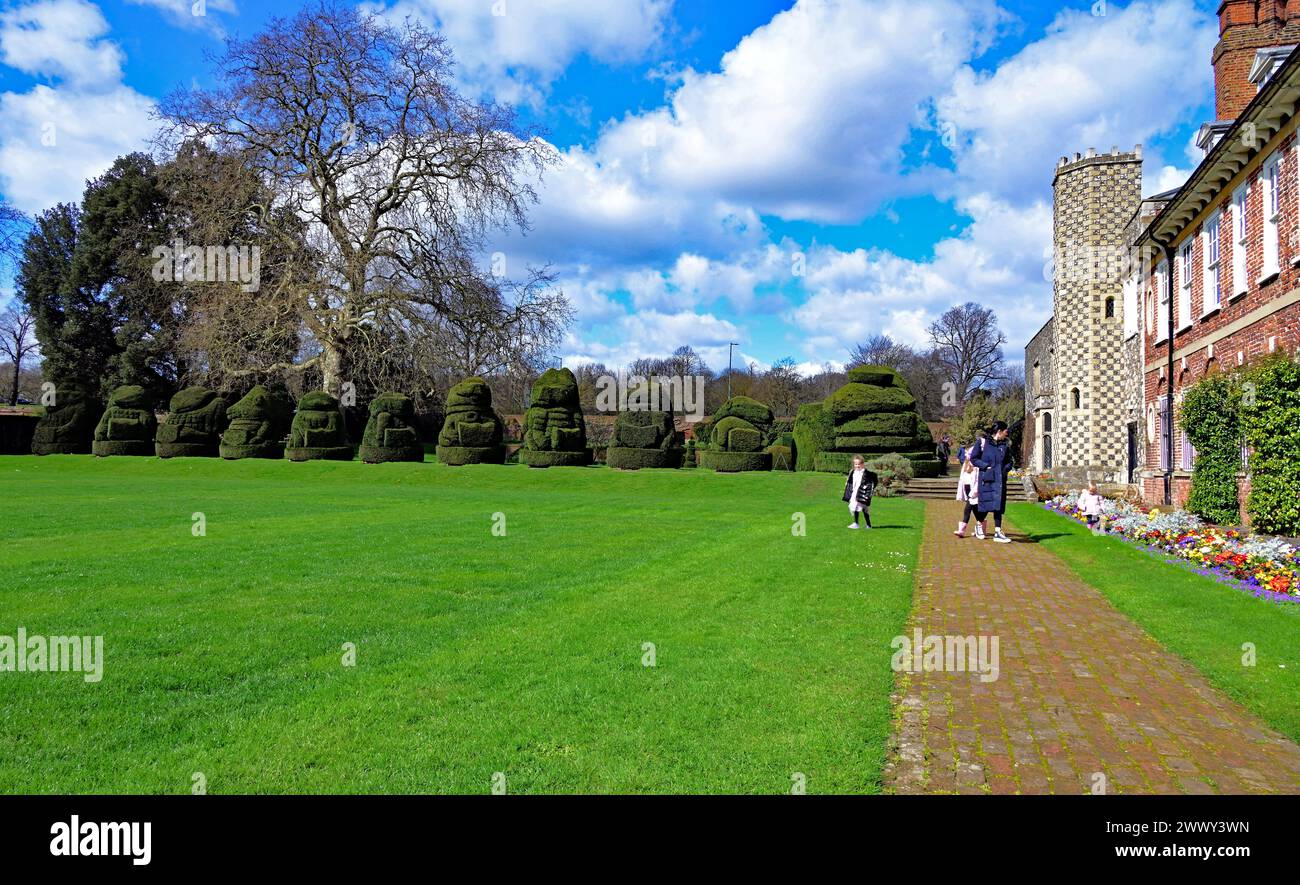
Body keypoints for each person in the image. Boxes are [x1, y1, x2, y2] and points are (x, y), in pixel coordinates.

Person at [970, 421, 1013, 543]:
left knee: (998, 505)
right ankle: (979, 525)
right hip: (987, 479)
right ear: (999, 431)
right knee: (986, 505)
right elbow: (974, 458)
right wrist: (985, 466)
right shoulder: (983, 442)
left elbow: (1010, 461)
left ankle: (998, 531)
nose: (1007, 434)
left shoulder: (1005, 445)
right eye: (1005, 431)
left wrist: (1004, 470)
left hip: (1000, 480)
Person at [952, 449, 981, 538]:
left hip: (974, 492)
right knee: (976, 511)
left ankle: (962, 530)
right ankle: (981, 529)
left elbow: (978, 480)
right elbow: (962, 478)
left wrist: (974, 492)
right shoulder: (966, 464)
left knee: (967, 509)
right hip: (967, 489)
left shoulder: (977, 465)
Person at [843, 455, 877, 529]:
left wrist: (868, 493)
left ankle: (868, 525)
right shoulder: (853, 472)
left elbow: (871, 483)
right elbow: (850, 481)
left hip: (862, 492)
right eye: (856, 464)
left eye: (859, 464)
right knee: (855, 507)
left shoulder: (866, 473)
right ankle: (856, 523)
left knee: (864, 508)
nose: (857, 466)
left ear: (862, 464)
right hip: (854, 493)